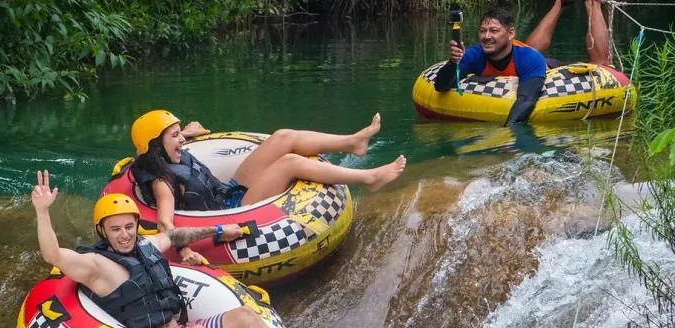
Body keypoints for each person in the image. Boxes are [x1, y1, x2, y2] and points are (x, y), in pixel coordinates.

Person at [31, 170, 337, 328]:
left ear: (137, 226)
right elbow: (53, 255)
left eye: (129, 227)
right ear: (103, 232)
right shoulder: (96, 265)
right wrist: (43, 212)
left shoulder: (146, 246)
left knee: (244, 315)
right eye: (115, 230)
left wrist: (217, 231)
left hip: (178, 326)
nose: (124, 235)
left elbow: (177, 235)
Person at [128, 110, 407, 265]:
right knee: (289, 163)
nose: (181, 140)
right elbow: (165, 222)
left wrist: (187, 132)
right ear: (156, 145)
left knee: (283, 137)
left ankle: (353, 143)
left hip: (227, 192)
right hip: (233, 211)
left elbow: (165, 150)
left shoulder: (165, 154)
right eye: (174, 136)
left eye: (179, 134)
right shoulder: (162, 181)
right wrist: (184, 251)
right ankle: (370, 178)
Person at [435, 1, 613, 125]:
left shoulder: (529, 59)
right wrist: (453, 62)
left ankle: (592, 4)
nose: (487, 36)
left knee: (601, 63)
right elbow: (441, 86)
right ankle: (560, 3)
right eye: (483, 31)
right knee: (529, 49)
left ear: (511, 33)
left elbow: (527, 99)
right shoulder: (475, 54)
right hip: (520, 53)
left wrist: (507, 132)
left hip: (546, 66)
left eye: (493, 31)